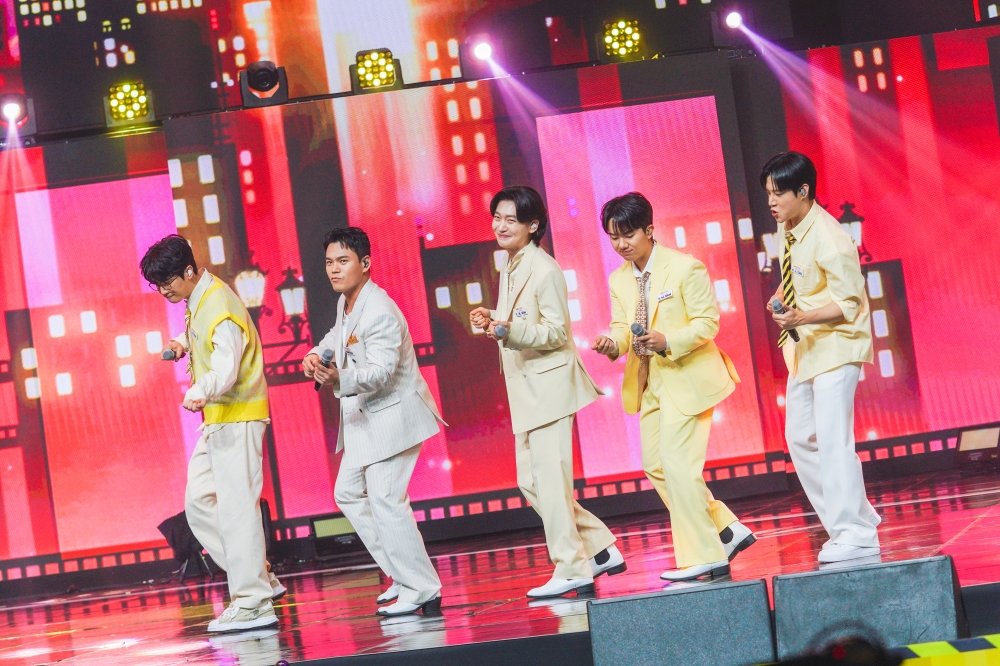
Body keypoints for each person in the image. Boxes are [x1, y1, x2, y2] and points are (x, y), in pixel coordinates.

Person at [591, 192, 756, 582]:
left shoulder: (685, 268)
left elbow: (707, 323)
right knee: (656, 465)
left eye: (628, 234)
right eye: (613, 237)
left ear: (649, 230)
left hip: (688, 377)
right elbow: (621, 327)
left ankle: (705, 554)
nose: (621, 244)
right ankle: (725, 529)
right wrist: (613, 343)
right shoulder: (618, 279)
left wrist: (668, 340)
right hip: (650, 381)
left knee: (680, 466)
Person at [470, 185, 625, 599]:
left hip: (550, 389)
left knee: (551, 485)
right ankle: (599, 547)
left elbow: (556, 332)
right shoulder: (512, 264)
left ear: (533, 225)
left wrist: (508, 329)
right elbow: (520, 322)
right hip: (529, 390)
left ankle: (572, 567)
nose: (500, 226)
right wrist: (495, 320)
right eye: (497, 218)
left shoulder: (544, 269)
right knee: (531, 482)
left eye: (510, 219)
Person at [140, 234, 280, 632]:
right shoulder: (200, 297)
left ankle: (253, 602)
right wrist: (181, 344)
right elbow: (199, 331)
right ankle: (259, 575)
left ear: (188, 271)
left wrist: (199, 390)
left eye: (168, 282)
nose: (164, 291)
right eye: (158, 285)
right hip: (220, 419)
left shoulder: (218, 305)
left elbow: (226, 367)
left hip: (238, 416)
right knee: (199, 502)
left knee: (238, 509)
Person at [303, 226, 444, 617]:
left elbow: (381, 372)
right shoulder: (348, 302)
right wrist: (315, 355)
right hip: (367, 421)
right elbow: (337, 336)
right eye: (329, 262)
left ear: (365, 263)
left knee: (386, 500)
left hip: (393, 418)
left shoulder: (379, 309)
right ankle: (402, 574)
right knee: (348, 493)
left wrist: (339, 378)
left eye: (343, 261)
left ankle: (422, 587)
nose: (334, 269)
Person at [761, 151, 879, 563]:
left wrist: (801, 316)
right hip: (805, 347)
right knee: (799, 438)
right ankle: (848, 522)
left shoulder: (831, 237)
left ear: (803, 191)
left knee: (833, 440)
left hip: (837, 346)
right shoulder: (787, 226)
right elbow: (795, 274)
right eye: (768, 193)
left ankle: (856, 532)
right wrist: (781, 296)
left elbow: (849, 303)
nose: (771, 202)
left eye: (779, 193)